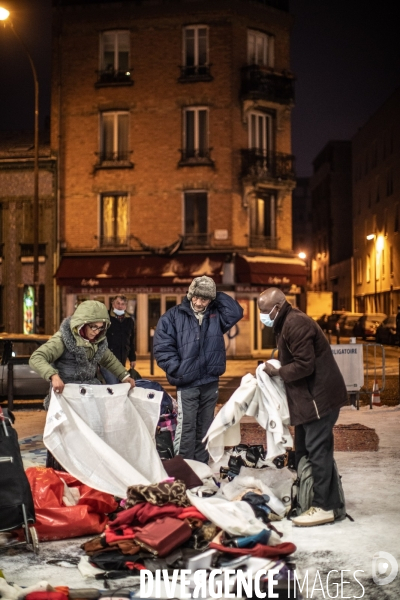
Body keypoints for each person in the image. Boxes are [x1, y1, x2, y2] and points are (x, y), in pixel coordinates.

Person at [257, 287, 348, 527]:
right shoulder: (286, 321)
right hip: (311, 399)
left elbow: (305, 365)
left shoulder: (295, 323)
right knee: (305, 450)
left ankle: (324, 506)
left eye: (264, 311)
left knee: (318, 450)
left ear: (277, 307)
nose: (262, 316)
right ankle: (323, 500)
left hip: (319, 398)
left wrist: (278, 371)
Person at [153, 275, 243, 463]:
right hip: (187, 381)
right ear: (190, 294)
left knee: (206, 426)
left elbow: (236, 312)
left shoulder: (215, 315)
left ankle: (201, 466)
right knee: (186, 426)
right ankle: (184, 466)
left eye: (204, 298)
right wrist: (178, 369)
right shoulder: (173, 316)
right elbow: (162, 348)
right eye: (196, 297)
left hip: (210, 380)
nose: (199, 302)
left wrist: (213, 292)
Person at [29, 300, 136, 400]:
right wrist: (53, 376)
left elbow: (109, 360)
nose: (97, 332)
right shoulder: (62, 339)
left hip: (89, 394)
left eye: (101, 327)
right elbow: (36, 358)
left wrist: (124, 376)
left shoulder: (97, 341)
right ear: (81, 324)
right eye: (94, 327)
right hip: (66, 395)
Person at [100, 295, 137, 384]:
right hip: (107, 360)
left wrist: (132, 358)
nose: (120, 306)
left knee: (120, 387)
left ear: (125, 306)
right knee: (114, 386)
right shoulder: (105, 318)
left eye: (123, 304)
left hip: (121, 360)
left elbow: (131, 341)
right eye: (118, 303)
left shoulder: (129, 321)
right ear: (113, 304)